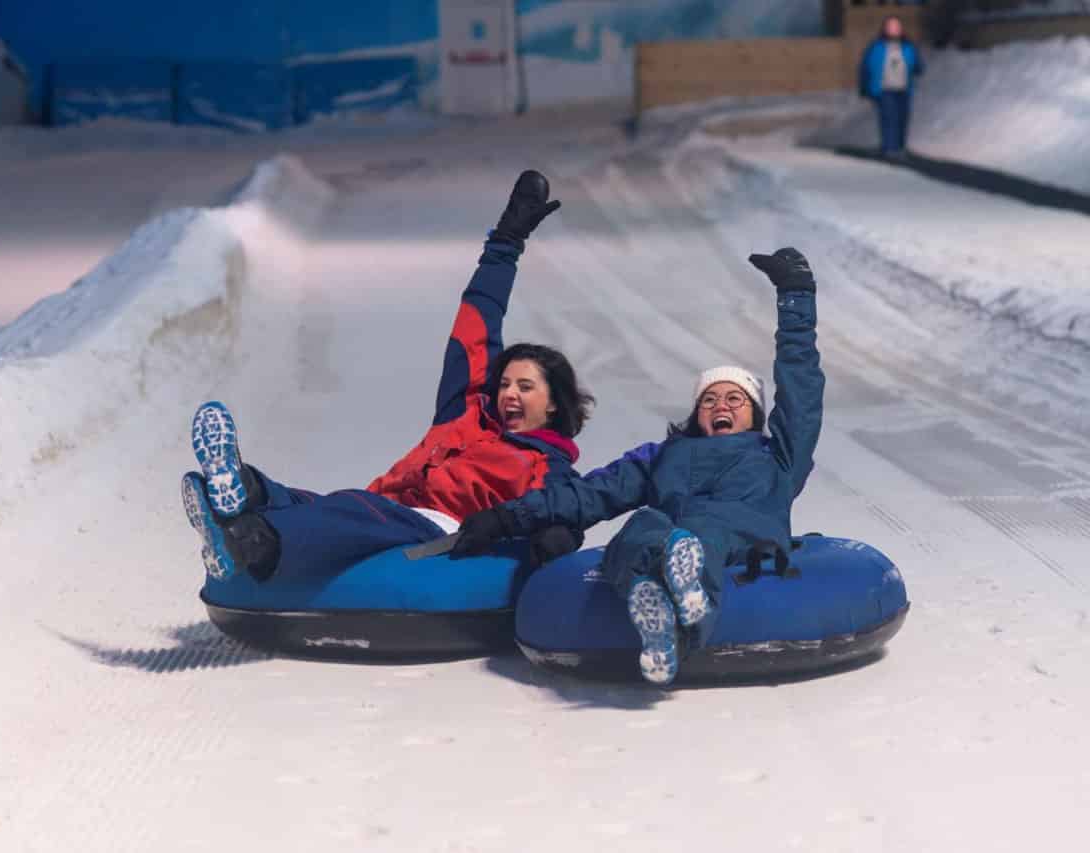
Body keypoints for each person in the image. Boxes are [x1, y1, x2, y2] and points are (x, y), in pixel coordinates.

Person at [181, 170, 595, 586]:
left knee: (355, 513)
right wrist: (505, 244)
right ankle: (242, 491)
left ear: (555, 401)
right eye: (504, 383)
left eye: (525, 387)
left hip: (436, 533)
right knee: (322, 505)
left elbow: (564, 510)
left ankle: (251, 543)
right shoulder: (467, 412)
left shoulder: (548, 466)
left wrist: (558, 539)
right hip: (380, 508)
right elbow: (477, 323)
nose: (508, 393)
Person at [450, 248, 824, 686]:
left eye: (734, 398)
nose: (720, 404)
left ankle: (685, 594)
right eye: (709, 399)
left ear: (755, 413)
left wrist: (795, 296)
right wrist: (506, 516)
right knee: (641, 528)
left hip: (738, 535)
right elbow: (591, 493)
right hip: (668, 535)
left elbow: (802, 389)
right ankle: (657, 613)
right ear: (697, 412)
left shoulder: (776, 455)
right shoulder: (665, 454)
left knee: (706, 530)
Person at [859, 14, 925, 159]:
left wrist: (918, 66)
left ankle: (900, 147)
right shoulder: (876, 46)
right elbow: (865, 67)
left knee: (902, 118)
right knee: (889, 118)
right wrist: (864, 88)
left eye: (897, 27)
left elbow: (917, 64)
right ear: (885, 29)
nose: (894, 29)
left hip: (903, 89)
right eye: (891, 27)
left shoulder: (908, 46)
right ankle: (889, 148)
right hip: (884, 89)